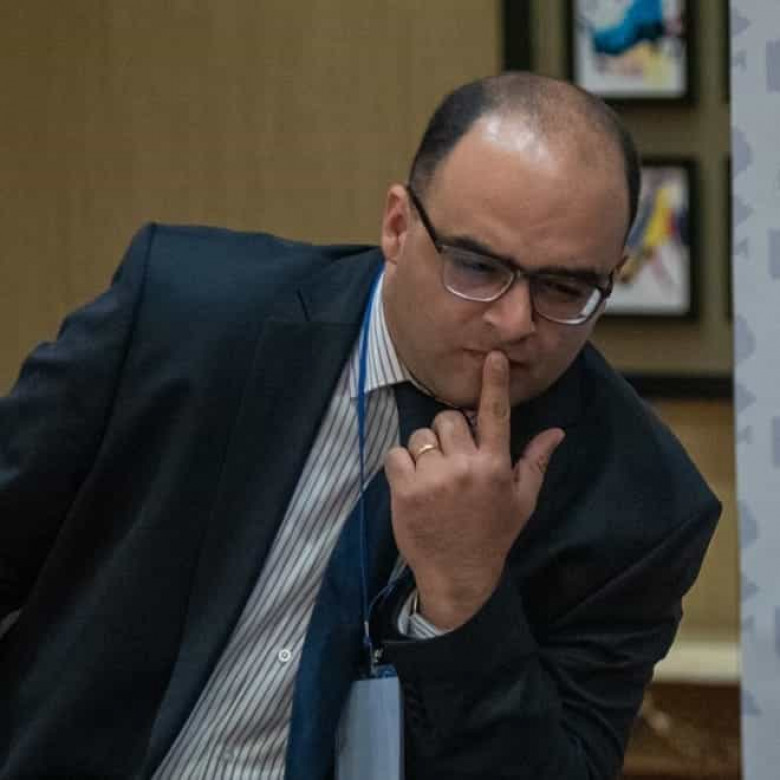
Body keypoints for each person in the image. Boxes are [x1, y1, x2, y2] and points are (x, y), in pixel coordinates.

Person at [0, 72, 719, 779]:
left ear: (613, 276)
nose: (514, 321)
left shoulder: (640, 507)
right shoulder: (185, 315)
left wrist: (465, 597)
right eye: (476, 266)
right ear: (398, 227)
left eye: (564, 287)